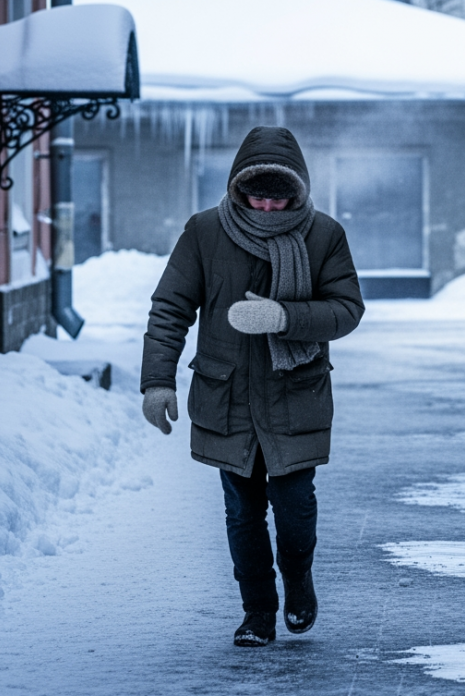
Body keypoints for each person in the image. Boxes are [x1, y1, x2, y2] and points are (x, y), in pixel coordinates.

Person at [139, 126, 364, 647]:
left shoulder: (323, 234)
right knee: (242, 514)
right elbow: (170, 307)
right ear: (239, 188)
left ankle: (299, 583)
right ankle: (258, 613)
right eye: (257, 195)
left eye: (278, 196)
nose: (267, 208)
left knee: (294, 507)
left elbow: (347, 310)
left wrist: (282, 316)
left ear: (298, 190)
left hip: (295, 395)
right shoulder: (204, 231)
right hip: (227, 395)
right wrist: (157, 382)